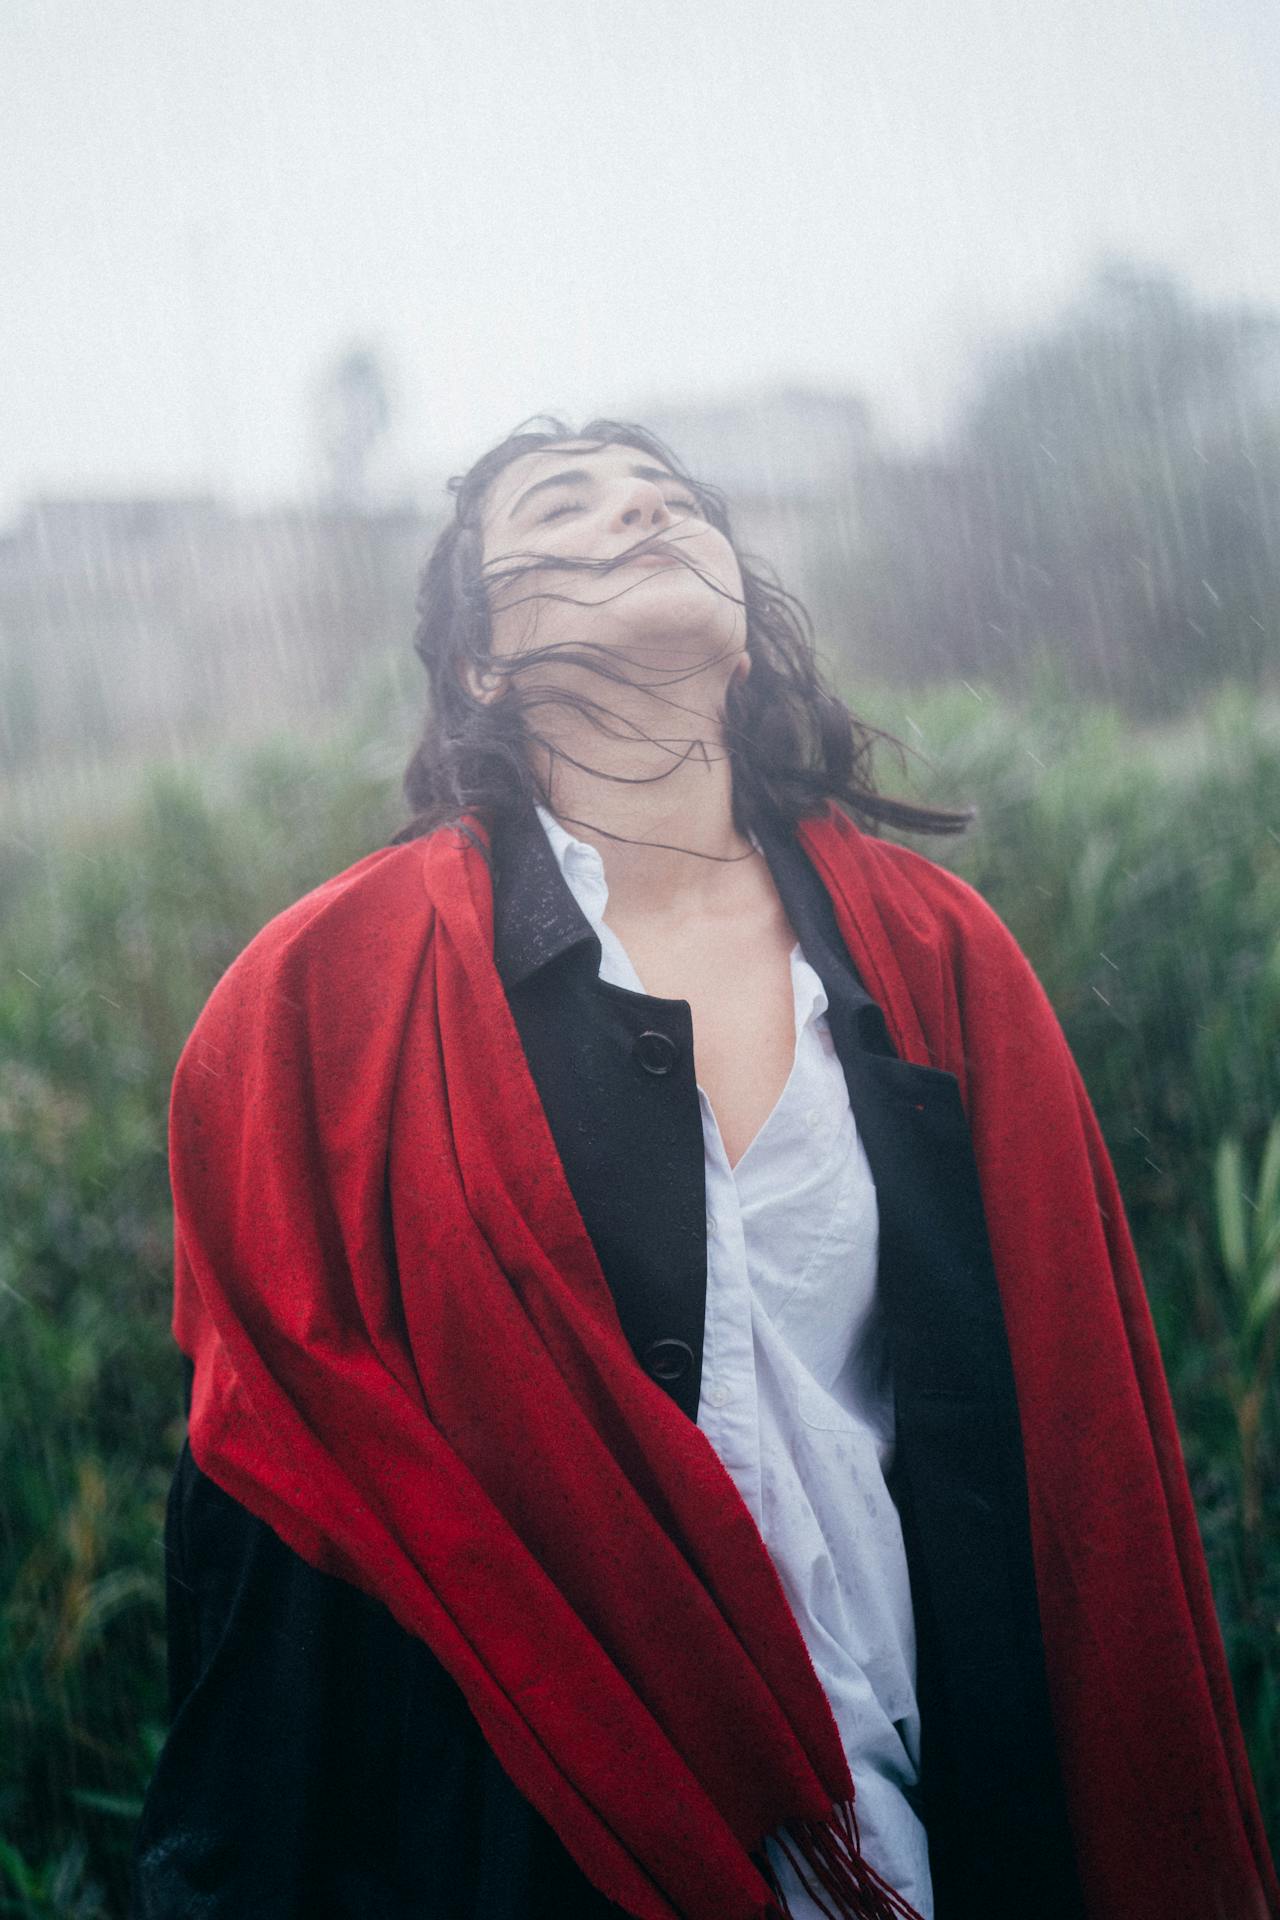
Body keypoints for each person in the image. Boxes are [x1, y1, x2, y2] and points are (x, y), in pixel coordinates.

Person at [131, 419, 1276, 1920]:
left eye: (670, 497)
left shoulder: (937, 961)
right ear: (480, 660)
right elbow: (279, 1510)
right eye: (568, 502)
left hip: (940, 1814)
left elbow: (1081, 1456)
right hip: (526, 1844)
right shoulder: (323, 1004)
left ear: (741, 642)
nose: (640, 510)